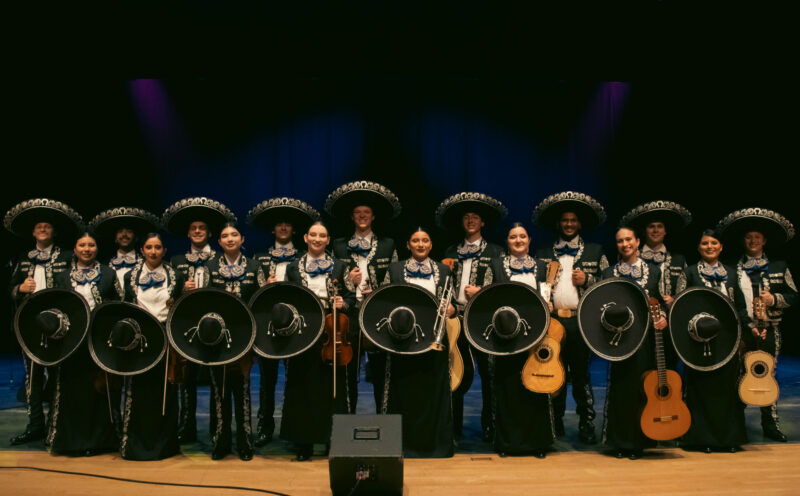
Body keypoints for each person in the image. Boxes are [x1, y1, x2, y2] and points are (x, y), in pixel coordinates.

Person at [4, 198, 81, 446]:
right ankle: (35, 426)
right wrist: (19, 288)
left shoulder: (68, 256)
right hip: (29, 327)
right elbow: (9, 289)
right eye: (39, 226)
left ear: (54, 232)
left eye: (48, 226)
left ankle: (55, 428)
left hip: (59, 326)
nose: (43, 228)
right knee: (32, 379)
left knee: (59, 378)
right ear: (33, 232)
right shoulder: (23, 257)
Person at [534, 191, 608, 444]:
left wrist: (588, 280)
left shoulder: (597, 252)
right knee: (553, 371)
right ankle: (554, 425)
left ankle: (587, 423)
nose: (568, 224)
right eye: (564, 220)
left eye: (573, 220)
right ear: (558, 223)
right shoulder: (543, 252)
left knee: (580, 375)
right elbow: (536, 284)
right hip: (553, 323)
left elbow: (609, 285)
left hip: (580, 322)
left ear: (579, 224)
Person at [717, 208, 796, 442]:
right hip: (741, 330)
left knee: (767, 373)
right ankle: (736, 422)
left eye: (757, 237)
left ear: (764, 241)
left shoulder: (779, 266)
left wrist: (774, 300)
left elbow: (794, 296)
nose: (753, 241)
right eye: (749, 237)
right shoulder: (731, 268)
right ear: (744, 241)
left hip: (769, 329)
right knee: (738, 374)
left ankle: (770, 424)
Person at [163, 197, 236, 444]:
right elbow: (169, 295)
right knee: (187, 379)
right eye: (193, 229)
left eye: (201, 229)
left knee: (217, 378)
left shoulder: (219, 260)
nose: (197, 232)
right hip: (186, 326)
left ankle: (218, 428)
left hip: (215, 327)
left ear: (209, 233)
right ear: (188, 233)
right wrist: (181, 290)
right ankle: (188, 426)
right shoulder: (176, 261)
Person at [248, 197, 319, 446]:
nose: (284, 228)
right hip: (269, 325)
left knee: (296, 379)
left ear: (294, 230)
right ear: (273, 229)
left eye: (288, 224)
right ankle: (265, 427)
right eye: (280, 224)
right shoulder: (259, 259)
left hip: (298, 326)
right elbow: (254, 294)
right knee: (267, 380)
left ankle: (296, 427)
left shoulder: (304, 257)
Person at [436, 192, 506, 442]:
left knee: (489, 374)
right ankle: (453, 428)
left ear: (483, 223)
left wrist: (481, 292)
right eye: (466, 217)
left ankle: (490, 425)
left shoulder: (497, 252)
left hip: (482, 320)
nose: (470, 220)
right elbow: (443, 284)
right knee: (456, 372)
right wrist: (451, 305)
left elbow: (502, 287)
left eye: (475, 217)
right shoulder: (450, 250)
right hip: (455, 319)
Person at [282, 221, 355, 460]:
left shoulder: (340, 266)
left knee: (331, 388)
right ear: (305, 237)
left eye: (321, 235)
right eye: (312, 234)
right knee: (302, 386)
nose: (317, 239)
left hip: (332, 330)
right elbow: (288, 299)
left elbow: (352, 299)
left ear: (328, 239)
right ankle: (304, 442)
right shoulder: (293, 268)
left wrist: (342, 303)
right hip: (303, 331)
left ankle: (333, 439)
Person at [326, 181, 401, 413]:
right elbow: (329, 280)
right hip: (348, 317)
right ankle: (346, 420)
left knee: (380, 373)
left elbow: (396, 280)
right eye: (358, 213)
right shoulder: (338, 246)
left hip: (377, 316)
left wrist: (375, 291)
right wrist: (349, 280)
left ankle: (383, 419)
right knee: (347, 372)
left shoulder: (388, 245)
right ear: (352, 217)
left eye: (366, 213)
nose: (362, 216)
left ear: (373, 217)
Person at [381, 227, 455, 458]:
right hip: (402, 340)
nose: (421, 244)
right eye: (416, 240)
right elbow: (383, 299)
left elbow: (452, 304)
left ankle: (434, 446)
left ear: (431, 245)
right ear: (408, 245)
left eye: (425, 240)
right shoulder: (394, 269)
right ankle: (402, 445)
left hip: (433, 340)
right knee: (404, 390)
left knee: (433, 390)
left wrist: (452, 309)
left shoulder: (444, 271)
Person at [675, 229, 748, 452]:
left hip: (728, 341)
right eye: (704, 243)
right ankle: (702, 439)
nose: (709, 246)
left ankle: (728, 439)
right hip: (697, 341)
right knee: (701, 389)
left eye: (713, 243)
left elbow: (742, 309)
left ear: (721, 247)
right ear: (699, 248)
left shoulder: (734, 274)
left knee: (726, 389)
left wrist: (751, 331)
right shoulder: (689, 273)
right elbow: (679, 308)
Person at [486, 223, 554, 458]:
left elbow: (547, 296)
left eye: (522, 236)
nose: (518, 240)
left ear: (529, 240)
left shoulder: (544, 267)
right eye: (513, 236)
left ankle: (538, 443)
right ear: (507, 241)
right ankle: (507, 443)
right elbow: (487, 299)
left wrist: (549, 304)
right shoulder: (495, 266)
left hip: (536, 335)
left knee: (535, 385)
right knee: (507, 386)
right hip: (505, 335)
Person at [50, 232, 120, 455]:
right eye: (82, 245)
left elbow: (118, 306)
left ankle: (99, 442)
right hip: (71, 343)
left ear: (97, 249)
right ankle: (72, 442)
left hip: (99, 341)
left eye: (91, 245)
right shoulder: (62, 276)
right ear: (75, 248)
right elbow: (54, 305)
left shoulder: (109, 274)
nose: (87, 249)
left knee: (98, 392)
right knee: (73, 391)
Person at [601, 227, 666, 459]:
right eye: (620, 241)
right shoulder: (608, 272)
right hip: (619, 340)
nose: (625, 244)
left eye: (628, 239)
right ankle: (621, 442)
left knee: (644, 388)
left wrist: (663, 318)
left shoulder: (655, 272)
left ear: (638, 241)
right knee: (621, 390)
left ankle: (643, 439)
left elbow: (663, 301)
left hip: (647, 340)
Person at [120, 233, 183, 460]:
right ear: (142, 251)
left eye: (158, 247)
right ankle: (135, 446)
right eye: (149, 247)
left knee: (165, 393)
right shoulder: (129, 276)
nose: (153, 251)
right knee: (137, 391)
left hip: (165, 341)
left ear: (164, 250)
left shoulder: (176, 275)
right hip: (140, 339)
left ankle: (165, 446)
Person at [203, 222, 261, 461]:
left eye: (234, 235)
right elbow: (204, 300)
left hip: (244, 337)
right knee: (220, 391)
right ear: (219, 242)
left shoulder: (254, 266)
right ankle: (221, 440)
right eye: (224, 235)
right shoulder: (210, 266)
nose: (229, 239)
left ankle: (245, 441)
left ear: (242, 239)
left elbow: (259, 301)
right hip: (217, 338)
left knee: (243, 390)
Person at [89, 207, 161, 297]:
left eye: (129, 231)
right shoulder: (104, 265)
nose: (124, 235)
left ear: (136, 237)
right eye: (120, 231)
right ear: (115, 238)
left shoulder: (147, 263)